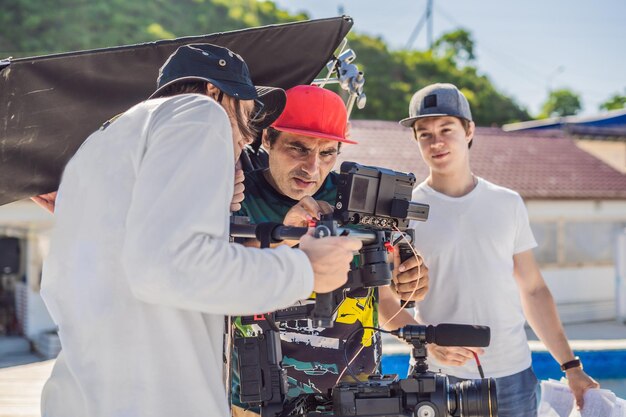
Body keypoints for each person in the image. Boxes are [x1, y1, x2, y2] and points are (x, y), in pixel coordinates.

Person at [37, 44, 362, 417]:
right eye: (248, 112)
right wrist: (305, 269)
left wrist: (214, 201)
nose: (249, 136)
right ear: (215, 92)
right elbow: (168, 268)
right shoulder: (199, 111)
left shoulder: (99, 146)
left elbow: (138, 265)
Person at [399, 83, 599, 416]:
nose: (436, 142)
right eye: (424, 133)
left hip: (512, 379)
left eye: (446, 129)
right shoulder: (405, 210)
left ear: (469, 130)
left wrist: (571, 365)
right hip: (436, 378)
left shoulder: (506, 203)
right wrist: (426, 343)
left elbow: (533, 289)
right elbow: (383, 300)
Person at [231, 85, 427, 416]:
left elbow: (384, 305)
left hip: (358, 399)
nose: (312, 168)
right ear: (267, 139)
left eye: (327, 153)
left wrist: (412, 284)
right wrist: (287, 234)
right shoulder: (236, 196)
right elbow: (219, 274)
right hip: (256, 405)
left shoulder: (360, 199)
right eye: (298, 148)